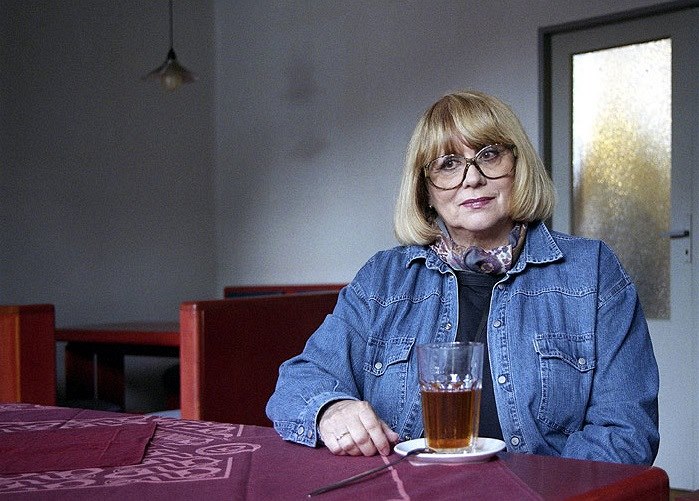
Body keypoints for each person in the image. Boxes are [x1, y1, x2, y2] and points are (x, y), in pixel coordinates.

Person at [266, 90, 660, 465]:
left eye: (489, 155)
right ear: (425, 190)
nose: (472, 179)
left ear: (518, 165)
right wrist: (332, 409)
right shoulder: (382, 280)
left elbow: (626, 433)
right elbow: (298, 382)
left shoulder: (592, 271)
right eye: (448, 164)